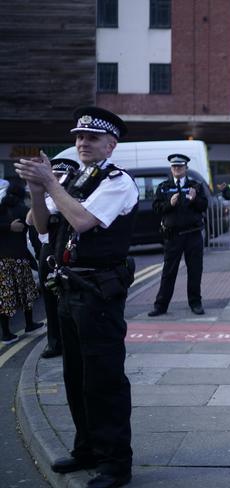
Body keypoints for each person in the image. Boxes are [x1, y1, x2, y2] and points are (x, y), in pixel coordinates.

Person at [16, 106, 137, 488]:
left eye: (92, 138)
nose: (82, 143)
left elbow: (84, 221)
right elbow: (40, 223)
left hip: (99, 292)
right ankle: (87, 448)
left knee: (104, 380)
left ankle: (116, 464)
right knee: (76, 376)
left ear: (110, 145)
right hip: (69, 289)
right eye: (78, 137)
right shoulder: (74, 178)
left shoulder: (117, 182)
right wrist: (38, 191)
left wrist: (50, 183)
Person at [148, 154, 208, 317]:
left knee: (195, 270)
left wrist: (195, 200)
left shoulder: (195, 185)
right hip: (173, 236)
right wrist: (170, 204)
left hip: (193, 234)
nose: (177, 169)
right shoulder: (164, 187)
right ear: (171, 169)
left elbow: (204, 206)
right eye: (174, 167)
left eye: (180, 167)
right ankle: (161, 305)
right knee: (169, 271)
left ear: (186, 168)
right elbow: (156, 208)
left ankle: (195, 303)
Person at [39, 158, 81, 358]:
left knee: (68, 299)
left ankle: (71, 341)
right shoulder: (48, 196)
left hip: (66, 249)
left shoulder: (72, 195)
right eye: (53, 175)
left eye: (60, 176)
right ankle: (54, 342)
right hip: (47, 249)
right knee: (49, 298)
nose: (55, 179)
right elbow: (33, 219)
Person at [0, 181, 44, 345]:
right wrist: (39, 256)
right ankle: (30, 324)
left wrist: (6, 227)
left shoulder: (1, 209)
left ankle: (6, 333)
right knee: (26, 292)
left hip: (2, 261)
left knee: (6, 297)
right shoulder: (24, 210)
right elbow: (34, 238)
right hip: (20, 258)